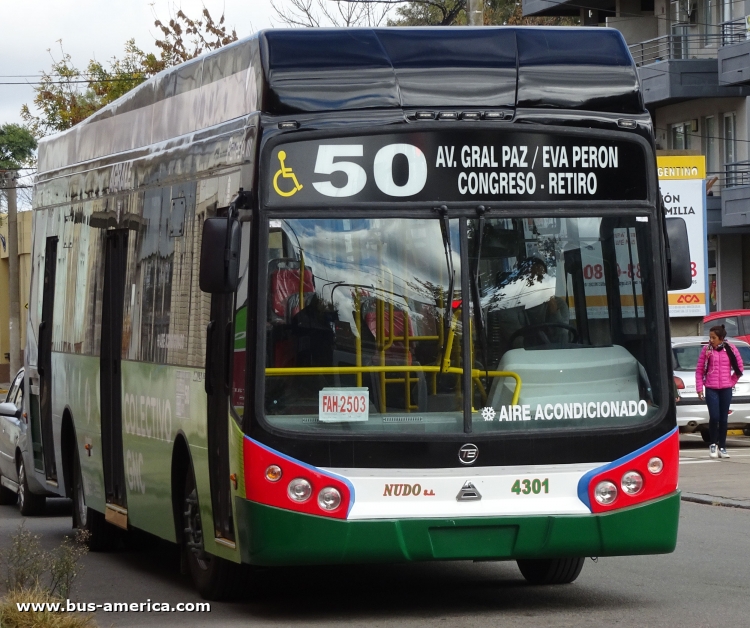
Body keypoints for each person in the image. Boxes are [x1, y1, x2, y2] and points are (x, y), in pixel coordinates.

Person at [695, 325, 743, 459]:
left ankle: (722, 446)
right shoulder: (707, 350)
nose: (711, 340)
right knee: (714, 416)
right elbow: (699, 370)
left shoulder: (731, 349)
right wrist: (699, 388)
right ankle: (713, 444)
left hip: (726, 389)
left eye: (714, 337)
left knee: (723, 418)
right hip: (711, 387)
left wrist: (731, 382)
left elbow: (739, 368)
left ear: (721, 338)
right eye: (710, 337)